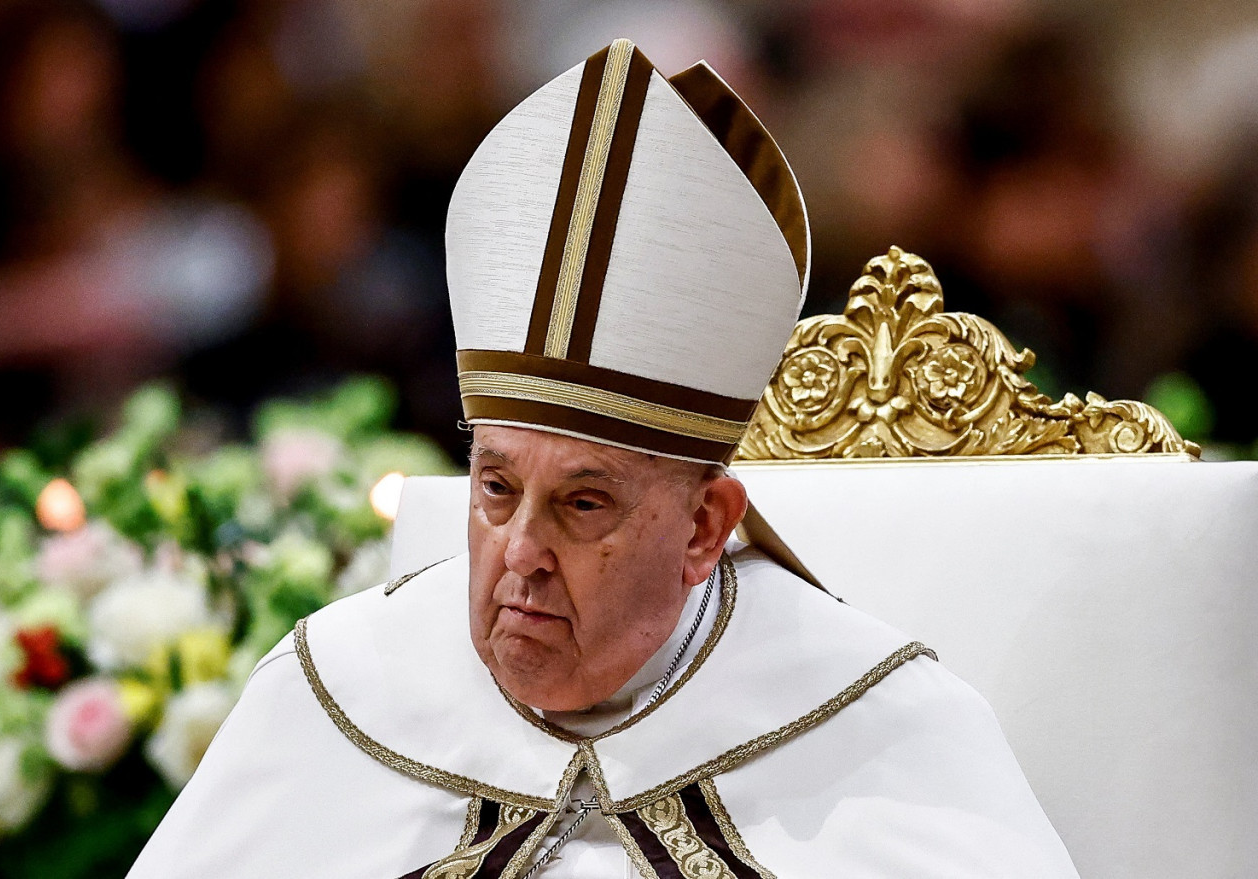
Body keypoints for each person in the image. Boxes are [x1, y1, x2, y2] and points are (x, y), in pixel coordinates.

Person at [127, 40, 1080, 877]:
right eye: (497, 489)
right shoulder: (337, 688)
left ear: (706, 525)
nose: (521, 552)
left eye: (584, 505)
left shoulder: (881, 733)